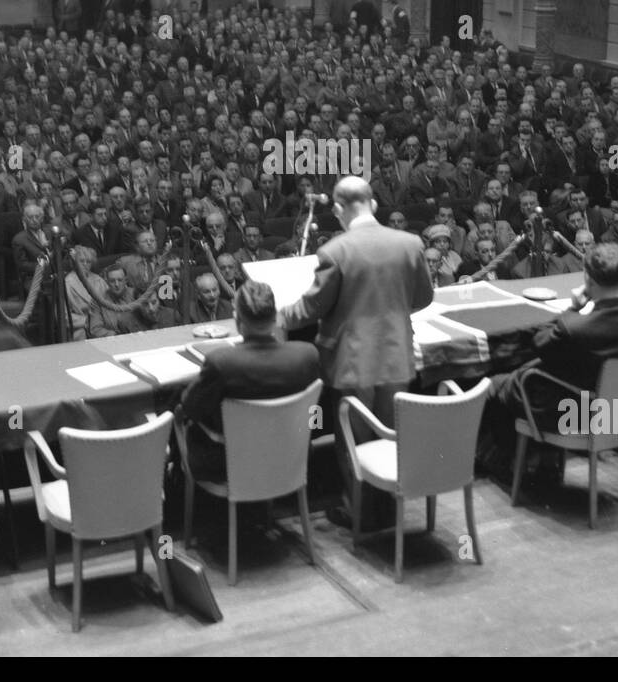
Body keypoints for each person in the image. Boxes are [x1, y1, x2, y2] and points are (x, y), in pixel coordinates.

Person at [279, 176, 433, 526]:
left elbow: (310, 310)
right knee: (391, 438)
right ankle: (391, 512)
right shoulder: (410, 244)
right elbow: (423, 298)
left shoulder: (335, 252)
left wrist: (277, 313)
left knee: (354, 442)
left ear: (337, 209)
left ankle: (360, 514)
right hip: (397, 357)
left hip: (352, 363)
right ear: (374, 204)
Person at [483, 243, 618, 473]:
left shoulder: (576, 326)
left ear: (588, 279)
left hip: (575, 413)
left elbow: (540, 344)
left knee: (496, 383)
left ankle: (509, 468)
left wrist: (573, 308)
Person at [177, 280, 320, 481]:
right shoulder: (308, 355)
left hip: (231, 466)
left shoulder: (221, 363)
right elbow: (316, 412)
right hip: (293, 456)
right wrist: (310, 434)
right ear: (275, 317)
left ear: (237, 322)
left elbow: (190, 408)